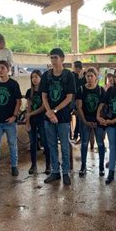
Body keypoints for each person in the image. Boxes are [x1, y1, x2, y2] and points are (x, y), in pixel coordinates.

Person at [39, 48, 76, 186]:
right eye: (51, 58)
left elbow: (69, 97)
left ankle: (65, 172)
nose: (53, 60)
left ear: (62, 59)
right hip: (49, 116)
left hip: (63, 117)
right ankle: (55, 171)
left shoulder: (68, 75)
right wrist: (49, 112)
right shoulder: (46, 76)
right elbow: (44, 96)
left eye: (55, 57)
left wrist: (54, 111)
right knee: (51, 145)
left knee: (65, 145)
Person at [0, 60, 22, 177]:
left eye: (2, 68)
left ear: (8, 70)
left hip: (9, 121)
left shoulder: (13, 84)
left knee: (12, 144)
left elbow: (18, 101)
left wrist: (14, 116)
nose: (0, 70)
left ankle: (14, 166)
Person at [76, 67, 106, 177]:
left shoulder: (101, 90)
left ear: (96, 77)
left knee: (101, 144)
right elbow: (79, 107)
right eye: (87, 76)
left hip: (98, 121)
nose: (89, 78)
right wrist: (84, 121)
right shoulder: (81, 90)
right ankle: (83, 166)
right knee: (84, 144)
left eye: (91, 76)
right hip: (85, 119)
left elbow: (103, 106)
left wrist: (98, 119)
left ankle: (101, 167)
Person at [25, 70, 50, 175]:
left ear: (41, 78)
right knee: (33, 143)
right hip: (32, 120)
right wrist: (27, 122)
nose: (34, 79)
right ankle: (33, 165)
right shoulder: (29, 91)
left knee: (45, 142)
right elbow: (28, 107)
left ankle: (49, 165)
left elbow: (43, 107)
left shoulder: (44, 91)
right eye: (32, 77)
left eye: (36, 77)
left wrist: (30, 114)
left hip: (42, 119)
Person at [71, 60, 86, 143]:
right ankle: (75, 135)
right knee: (77, 118)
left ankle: (77, 135)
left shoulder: (84, 76)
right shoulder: (72, 75)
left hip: (80, 100)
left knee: (79, 118)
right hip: (73, 100)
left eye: (75, 67)